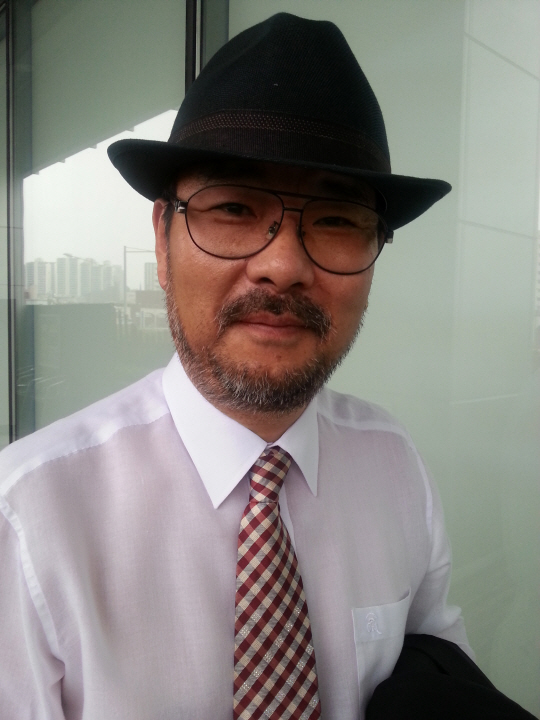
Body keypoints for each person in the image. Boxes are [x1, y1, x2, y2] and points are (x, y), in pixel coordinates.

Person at [0, 13, 471, 720]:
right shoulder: (30, 520)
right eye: (232, 207)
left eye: (336, 219)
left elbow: (444, 686)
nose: (282, 265)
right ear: (161, 239)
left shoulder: (394, 467)